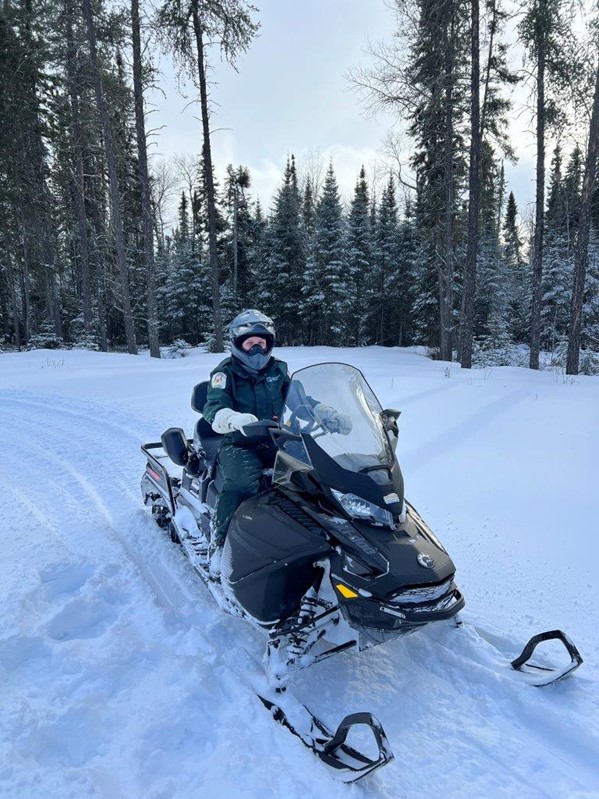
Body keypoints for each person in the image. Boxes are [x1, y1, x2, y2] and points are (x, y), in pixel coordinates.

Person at [202, 309, 351, 576]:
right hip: (239, 443)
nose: (257, 349)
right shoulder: (225, 373)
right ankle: (220, 546)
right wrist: (233, 418)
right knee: (241, 484)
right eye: (250, 343)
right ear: (237, 345)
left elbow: (299, 402)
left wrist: (325, 412)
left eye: (262, 342)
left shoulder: (278, 370)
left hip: (277, 439)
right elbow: (213, 407)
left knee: (314, 477)